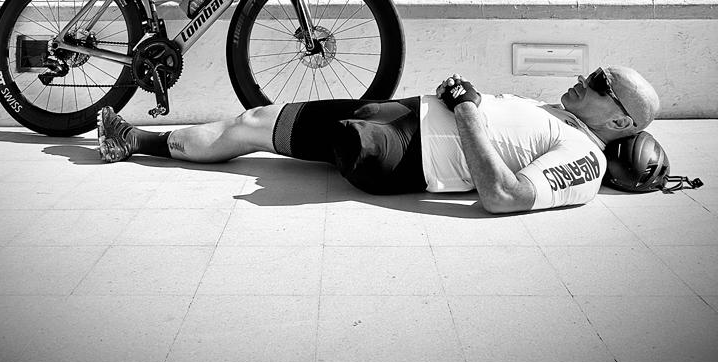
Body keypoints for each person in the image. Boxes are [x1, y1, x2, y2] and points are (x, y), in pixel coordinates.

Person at [97, 66, 660, 214]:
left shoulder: (584, 159)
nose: (585, 79)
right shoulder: (555, 112)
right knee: (254, 120)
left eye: (600, 84)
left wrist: (466, 107)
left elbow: (504, 196)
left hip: (403, 151)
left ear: (620, 123)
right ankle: (137, 140)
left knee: (315, 137)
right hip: (402, 114)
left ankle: (140, 142)